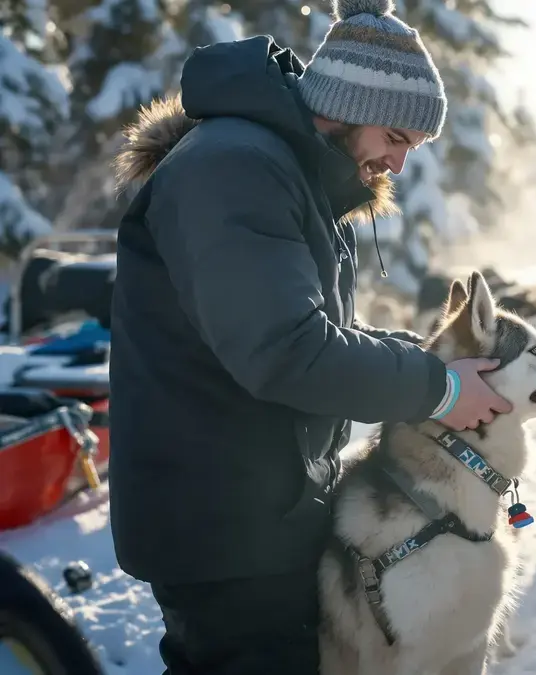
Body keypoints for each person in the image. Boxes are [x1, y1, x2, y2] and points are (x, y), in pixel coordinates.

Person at [107, 1, 511, 672]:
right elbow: (287, 351)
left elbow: (325, 334)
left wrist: (431, 360)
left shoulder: (290, 177)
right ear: (347, 102)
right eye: (396, 136)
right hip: (219, 530)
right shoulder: (233, 170)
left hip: (259, 514)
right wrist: (438, 387)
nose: (400, 164)